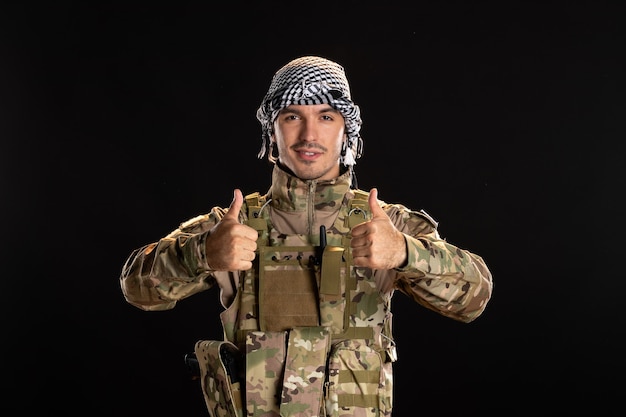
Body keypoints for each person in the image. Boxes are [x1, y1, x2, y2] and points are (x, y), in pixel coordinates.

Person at [119, 55, 493, 417]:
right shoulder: (232, 226)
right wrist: (200, 252)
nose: (309, 134)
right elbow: (135, 287)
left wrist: (406, 253)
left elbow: (474, 298)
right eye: (292, 116)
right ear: (273, 129)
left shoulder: (387, 225)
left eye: (326, 117)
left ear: (346, 128)